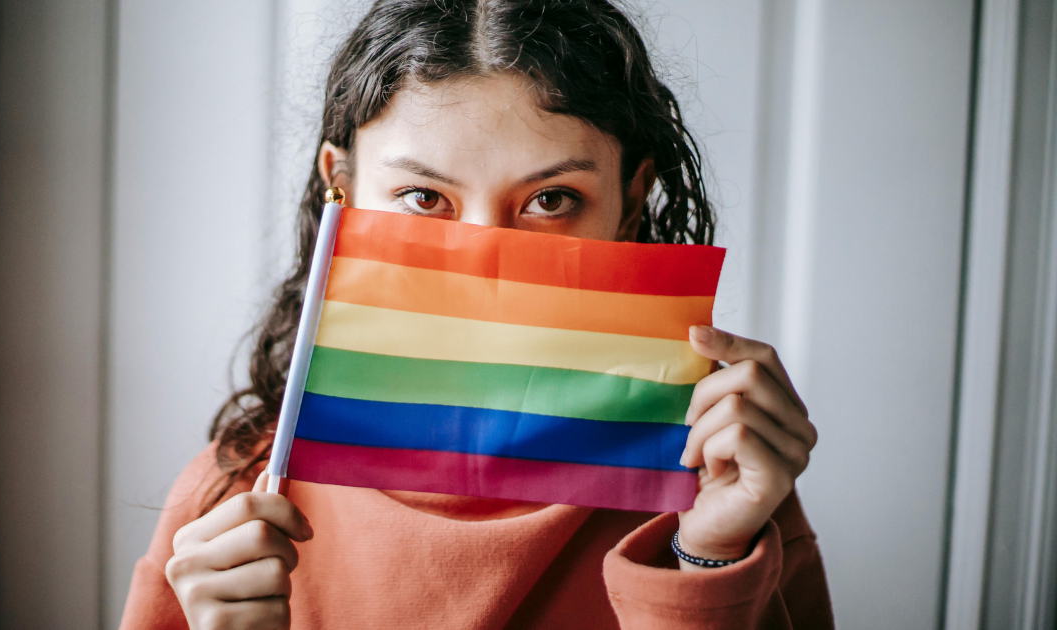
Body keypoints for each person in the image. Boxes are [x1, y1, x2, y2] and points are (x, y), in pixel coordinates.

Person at [120, 1, 832, 628]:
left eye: (551, 200)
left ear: (632, 197)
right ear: (341, 187)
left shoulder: (720, 492)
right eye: (424, 198)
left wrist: (707, 562)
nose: (485, 260)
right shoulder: (232, 502)